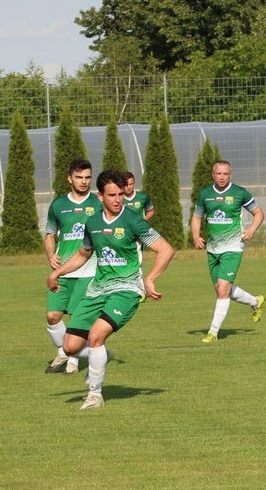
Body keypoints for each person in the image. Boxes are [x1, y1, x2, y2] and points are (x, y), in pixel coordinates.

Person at [47, 170, 176, 410]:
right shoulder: (93, 222)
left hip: (127, 289)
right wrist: (57, 272)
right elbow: (83, 255)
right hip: (98, 290)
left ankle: (95, 395)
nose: (118, 200)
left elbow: (166, 250)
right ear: (100, 196)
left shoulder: (132, 220)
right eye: (112, 195)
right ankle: (103, 355)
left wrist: (150, 279)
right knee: (69, 347)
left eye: (121, 194)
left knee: (96, 336)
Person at [192, 160, 266, 343]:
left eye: (225, 174)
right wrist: (195, 236)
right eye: (219, 174)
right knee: (221, 289)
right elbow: (197, 216)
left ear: (230, 175)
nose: (222, 177)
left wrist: (251, 229)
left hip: (233, 247)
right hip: (212, 248)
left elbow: (258, 213)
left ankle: (212, 332)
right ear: (213, 175)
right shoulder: (205, 194)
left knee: (223, 288)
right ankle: (255, 302)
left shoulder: (239, 193)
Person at [43, 160, 101, 373]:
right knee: (52, 316)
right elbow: (49, 235)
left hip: (89, 271)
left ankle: (73, 363)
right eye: (79, 177)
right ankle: (63, 352)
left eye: (87, 177)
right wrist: (50, 254)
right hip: (62, 270)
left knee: (77, 318)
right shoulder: (58, 205)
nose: (84, 181)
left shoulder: (98, 203)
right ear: (69, 178)